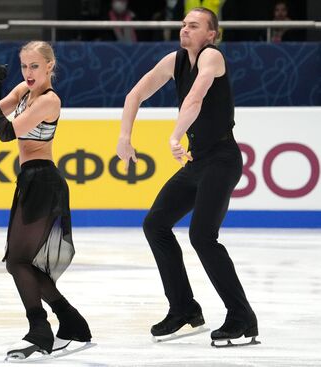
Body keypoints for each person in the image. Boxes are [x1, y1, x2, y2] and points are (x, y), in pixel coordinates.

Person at [116, 7, 259, 346]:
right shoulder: (174, 61)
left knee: (202, 236)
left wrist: (175, 135)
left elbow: (195, 98)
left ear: (211, 34)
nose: (185, 29)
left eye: (193, 26)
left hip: (223, 159)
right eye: (183, 24)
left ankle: (242, 317)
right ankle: (184, 309)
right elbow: (134, 94)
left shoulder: (213, 58)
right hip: (198, 163)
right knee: (155, 224)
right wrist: (124, 137)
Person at [0, 41, 92, 359]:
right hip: (29, 181)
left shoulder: (48, 100)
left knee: (17, 261)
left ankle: (40, 330)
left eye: (35, 66)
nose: (28, 72)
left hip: (44, 180)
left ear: (49, 66)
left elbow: (6, 132)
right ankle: (72, 322)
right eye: (24, 66)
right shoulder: (24, 92)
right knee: (23, 262)